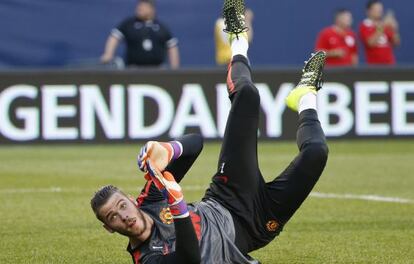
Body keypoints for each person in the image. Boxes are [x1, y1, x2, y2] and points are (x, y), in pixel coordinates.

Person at [90, 0, 329, 263]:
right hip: (258, 227)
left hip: (229, 195)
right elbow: (190, 259)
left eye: (122, 205)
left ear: (131, 200)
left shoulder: (152, 197)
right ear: (109, 228)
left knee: (247, 94)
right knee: (317, 152)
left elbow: (195, 143)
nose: (123, 215)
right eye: (113, 216)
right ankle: (306, 97)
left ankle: (237, 38)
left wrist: (167, 149)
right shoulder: (147, 259)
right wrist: (179, 205)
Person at [100, 0, 180, 69]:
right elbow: (114, 37)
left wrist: (174, 68)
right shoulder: (129, 24)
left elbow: (172, 47)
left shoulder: (161, 27)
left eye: (144, 5)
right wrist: (108, 54)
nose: (140, 8)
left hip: (156, 69)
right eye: (139, 5)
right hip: (134, 69)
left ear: (152, 9)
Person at [359, 0, 401, 65]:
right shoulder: (365, 25)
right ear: (369, 11)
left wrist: (394, 29)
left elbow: (396, 43)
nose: (379, 11)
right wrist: (383, 26)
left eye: (380, 9)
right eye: (376, 9)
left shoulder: (385, 25)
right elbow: (370, 43)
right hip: (375, 66)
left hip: (390, 64)